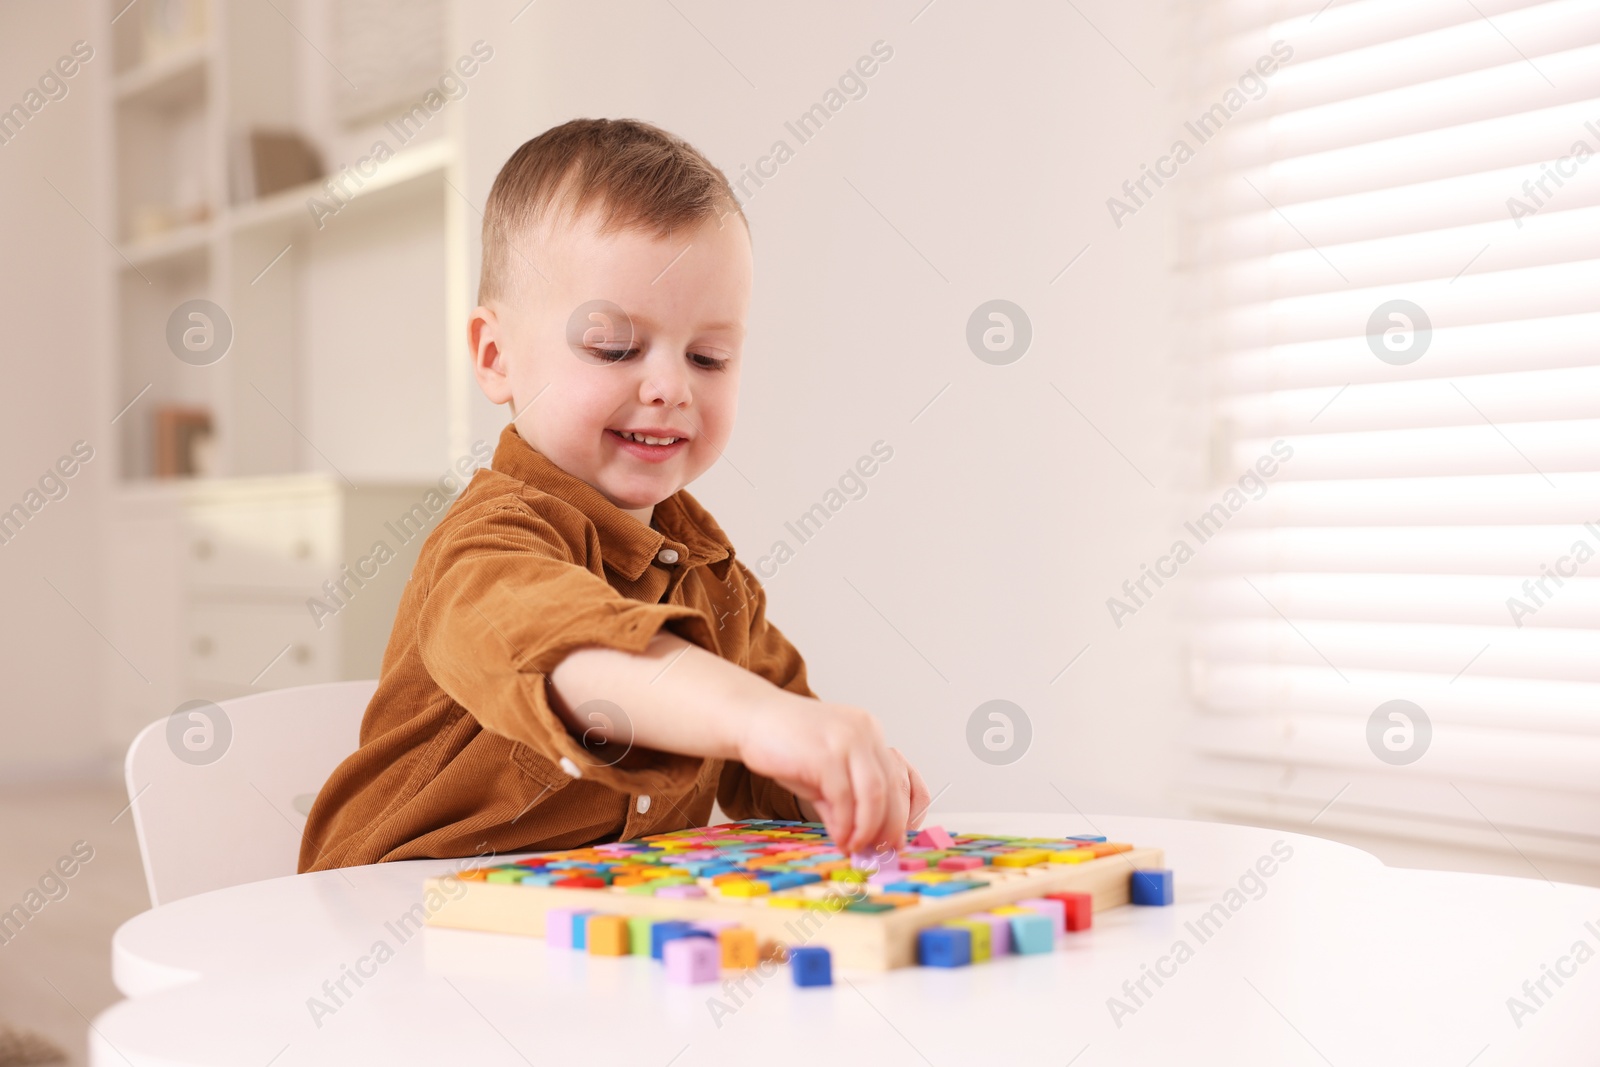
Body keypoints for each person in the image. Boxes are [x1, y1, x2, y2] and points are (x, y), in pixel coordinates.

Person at [300, 118, 929, 873]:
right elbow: (572, 648)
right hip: (395, 931)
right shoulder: (486, 544)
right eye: (614, 348)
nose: (669, 387)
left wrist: (829, 776)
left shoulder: (711, 572)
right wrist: (760, 718)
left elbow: (763, 757)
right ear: (496, 357)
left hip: (586, 934)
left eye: (709, 356)